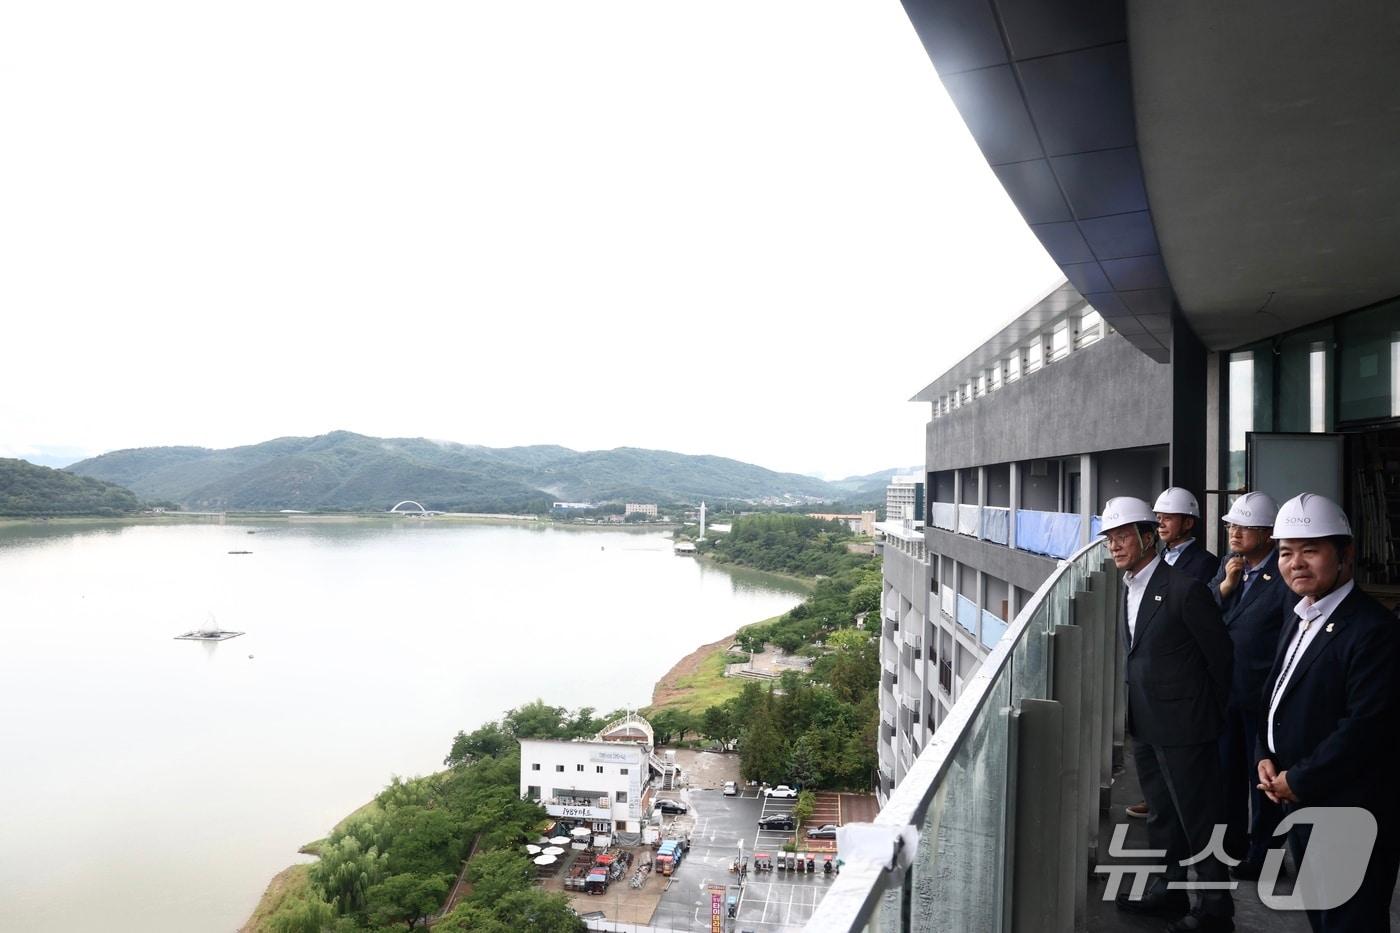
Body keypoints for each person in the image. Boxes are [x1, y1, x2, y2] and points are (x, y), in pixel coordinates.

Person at [1256, 493, 1400, 931]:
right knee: (1323, 913)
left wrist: (1297, 779)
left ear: (1346, 554)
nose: (1295, 563)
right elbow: (1278, 692)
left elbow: (1366, 726)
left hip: (1350, 808)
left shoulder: (1373, 630)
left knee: (1350, 920)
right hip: (1301, 799)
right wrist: (1266, 752)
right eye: (1286, 552)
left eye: (1311, 550)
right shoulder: (1302, 615)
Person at [1104, 496, 1235, 932]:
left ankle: (1216, 909)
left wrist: (1205, 717)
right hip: (1145, 720)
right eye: (1110, 539)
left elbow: (1220, 658)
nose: (1115, 546)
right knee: (1162, 815)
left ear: (1147, 537)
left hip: (1185, 727)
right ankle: (1168, 891)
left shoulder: (1184, 589)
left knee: (1198, 818)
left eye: (1123, 536)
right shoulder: (1127, 586)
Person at [1125, 486, 1223, 822]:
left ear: (1189, 522)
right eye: (1159, 517)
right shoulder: (1143, 573)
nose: (1162, 522)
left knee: (1194, 807)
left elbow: (1217, 651)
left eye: (1169, 517)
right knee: (1165, 804)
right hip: (1150, 708)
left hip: (1185, 709)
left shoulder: (1201, 567)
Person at [1206, 492, 1288, 879]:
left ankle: (1264, 855)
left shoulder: (1284, 574)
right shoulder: (1229, 565)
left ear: (1269, 534)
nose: (1234, 533)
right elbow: (1202, 610)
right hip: (1227, 692)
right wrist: (1225, 586)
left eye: (1244, 527)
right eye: (1231, 526)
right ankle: (1233, 843)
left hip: (1263, 696)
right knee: (1227, 774)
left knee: (1263, 779)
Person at [1156, 486, 1221, 584]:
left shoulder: (1206, 562)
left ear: (1188, 523)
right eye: (1158, 518)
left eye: (1167, 518)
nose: (1161, 524)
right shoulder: (1163, 554)